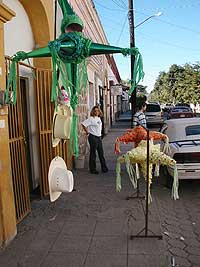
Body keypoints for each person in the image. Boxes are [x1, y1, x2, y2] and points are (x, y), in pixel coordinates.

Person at [81, 106, 108, 174]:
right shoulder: (91, 119)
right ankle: (93, 169)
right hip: (93, 137)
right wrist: (87, 132)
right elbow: (83, 124)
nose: (96, 112)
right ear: (93, 112)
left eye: (98, 111)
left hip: (99, 137)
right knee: (93, 154)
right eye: (95, 111)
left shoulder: (99, 118)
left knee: (101, 153)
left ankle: (104, 168)